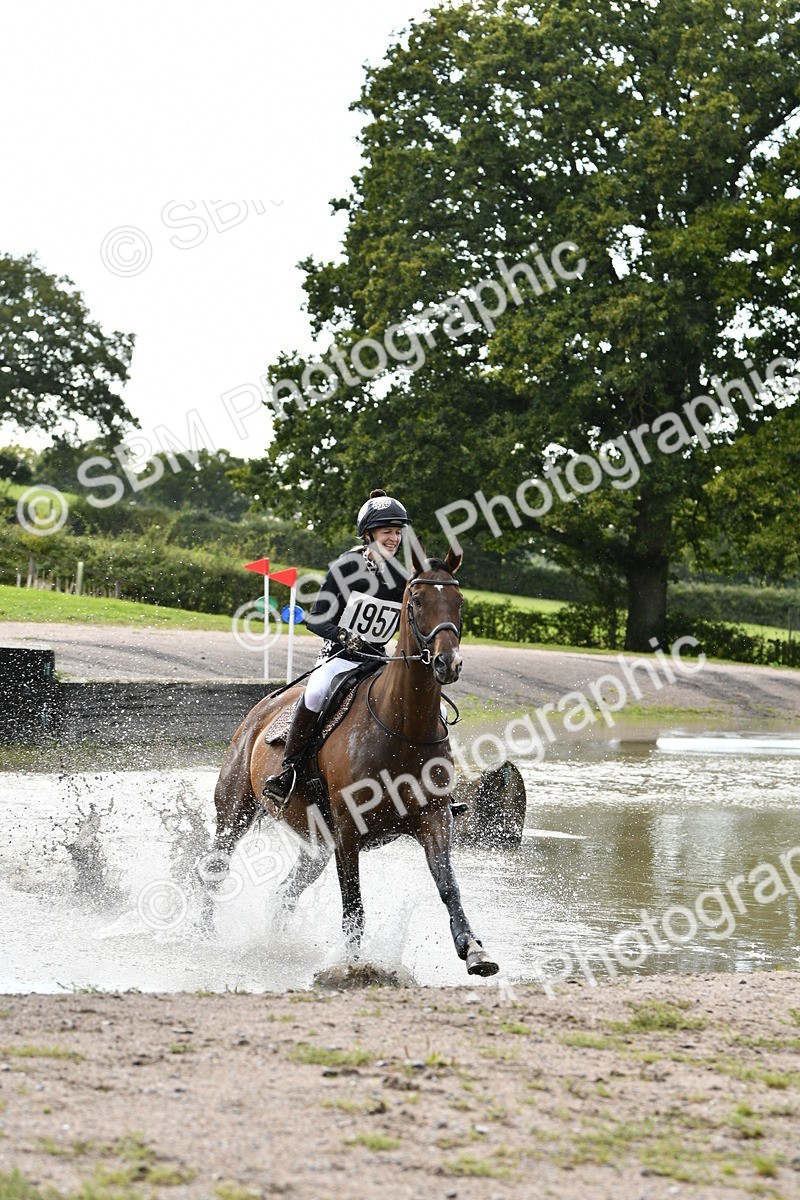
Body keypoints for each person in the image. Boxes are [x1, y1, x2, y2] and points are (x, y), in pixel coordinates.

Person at [262, 488, 411, 803]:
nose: (394, 538)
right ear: (369, 535)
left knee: (430, 705)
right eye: (387, 532)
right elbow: (316, 619)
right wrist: (343, 635)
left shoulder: (401, 577)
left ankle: (429, 783)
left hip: (377, 662)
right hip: (339, 658)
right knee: (316, 692)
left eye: (398, 532)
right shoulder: (347, 568)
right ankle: (288, 771)